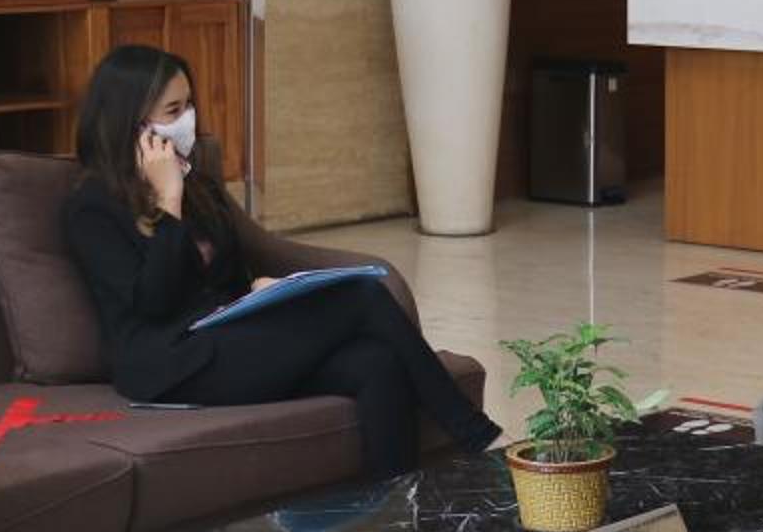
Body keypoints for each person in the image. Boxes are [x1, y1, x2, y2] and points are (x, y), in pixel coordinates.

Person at [60, 44, 500, 477]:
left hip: (225, 341)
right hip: (168, 366)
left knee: (376, 362)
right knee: (363, 297)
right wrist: (167, 201)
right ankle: (475, 436)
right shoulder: (91, 207)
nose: (188, 120)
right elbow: (153, 303)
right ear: (132, 124)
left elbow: (225, 277)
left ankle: (398, 509)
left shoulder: (198, 186)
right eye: (173, 111)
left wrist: (260, 290)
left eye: (189, 105)